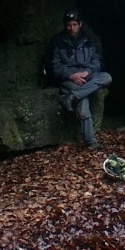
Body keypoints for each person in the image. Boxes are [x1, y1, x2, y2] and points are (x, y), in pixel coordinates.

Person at [50, 9, 112, 150]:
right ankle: (91, 142)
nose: (71, 28)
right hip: (69, 79)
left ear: (80, 24)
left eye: (74, 25)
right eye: (68, 25)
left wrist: (87, 72)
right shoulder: (57, 41)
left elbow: (97, 61)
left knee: (106, 77)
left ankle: (71, 97)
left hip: (87, 76)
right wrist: (71, 76)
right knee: (83, 101)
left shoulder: (89, 40)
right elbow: (55, 66)